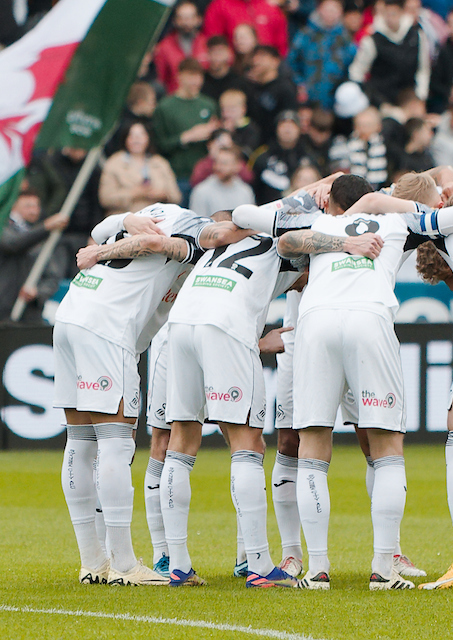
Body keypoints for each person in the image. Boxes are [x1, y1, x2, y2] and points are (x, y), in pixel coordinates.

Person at [232, 173, 453, 589]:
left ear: (331, 200)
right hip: (370, 320)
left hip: (315, 324)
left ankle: (316, 569)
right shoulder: (400, 222)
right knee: (387, 447)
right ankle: (384, 568)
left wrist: (321, 214)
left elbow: (263, 228)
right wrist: (399, 206)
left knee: (312, 444)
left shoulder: (317, 221)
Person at [159, 212, 378, 588]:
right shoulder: (282, 243)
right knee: (248, 442)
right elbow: (306, 256)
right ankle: (259, 565)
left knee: (181, 438)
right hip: (225, 325)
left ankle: (176, 563)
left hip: (181, 324)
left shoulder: (228, 239)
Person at [53, 199, 245, 585]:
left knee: (79, 442)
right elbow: (174, 242)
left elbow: (103, 229)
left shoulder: (153, 212)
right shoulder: (194, 232)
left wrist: (123, 220)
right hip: (108, 328)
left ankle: (93, 563)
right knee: (115, 443)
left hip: (71, 315)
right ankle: (123, 566)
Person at [0, 190, 69, 324]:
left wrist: (38, 292)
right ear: (14, 206)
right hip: (5, 311)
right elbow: (13, 244)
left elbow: (52, 276)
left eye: (36, 206)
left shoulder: (45, 238)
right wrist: (46, 227)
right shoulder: (1, 227)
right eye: (28, 206)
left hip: (32, 313)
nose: (34, 211)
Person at [349, 0, 431, 108]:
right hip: (382, 101)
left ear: (402, 13)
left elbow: (423, 68)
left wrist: (421, 95)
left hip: (410, 99)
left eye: (394, 14)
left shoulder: (417, 36)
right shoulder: (372, 40)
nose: (390, 18)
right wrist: (372, 98)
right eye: (386, 14)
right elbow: (357, 72)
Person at [151, 58, 218, 188]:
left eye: (199, 76)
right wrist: (187, 137)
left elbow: (218, 136)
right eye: (191, 76)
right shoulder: (164, 107)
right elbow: (159, 144)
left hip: (208, 175)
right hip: (178, 176)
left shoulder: (209, 105)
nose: (196, 81)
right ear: (179, 77)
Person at [202, 0, 289, 57]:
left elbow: (281, 43)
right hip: (234, 66)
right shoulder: (218, 7)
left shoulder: (270, 8)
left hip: (266, 65)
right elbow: (214, 41)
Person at [288, 0, 355, 111]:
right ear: (320, 10)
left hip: (336, 96)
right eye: (327, 9)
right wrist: (299, 84)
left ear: (340, 13)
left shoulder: (345, 38)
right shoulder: (306, 34)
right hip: (309, 95)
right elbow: (292, 61)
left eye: (334, 10)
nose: (330, 14)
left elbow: (352, 64)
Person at [99, 120, 181, 214]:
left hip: (158, 219)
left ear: (148, 138)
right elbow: (105, 199)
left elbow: (176, 196)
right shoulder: (114, 163)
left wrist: (163, 195)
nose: (136, 139)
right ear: (125, 138)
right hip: (125, 220)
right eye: (132, 135)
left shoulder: (160, 162)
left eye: (141, 135)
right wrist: (134, 193)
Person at [153, 1, 207, 96]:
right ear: (175, 21)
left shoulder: (206, 43)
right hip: (175, 98)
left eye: (190, 18)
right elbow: (160, 79)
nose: (186, 23)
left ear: (198, 19)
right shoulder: (164, 47)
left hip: (202, 97)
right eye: (181, 18)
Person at [188, 145, 256, 217]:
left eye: (224, 163)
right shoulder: (201, 191)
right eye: (217, 162)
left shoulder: (245, 191)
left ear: (237, 166)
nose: (219, 167)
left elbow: (251, 220)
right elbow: (198, 224)